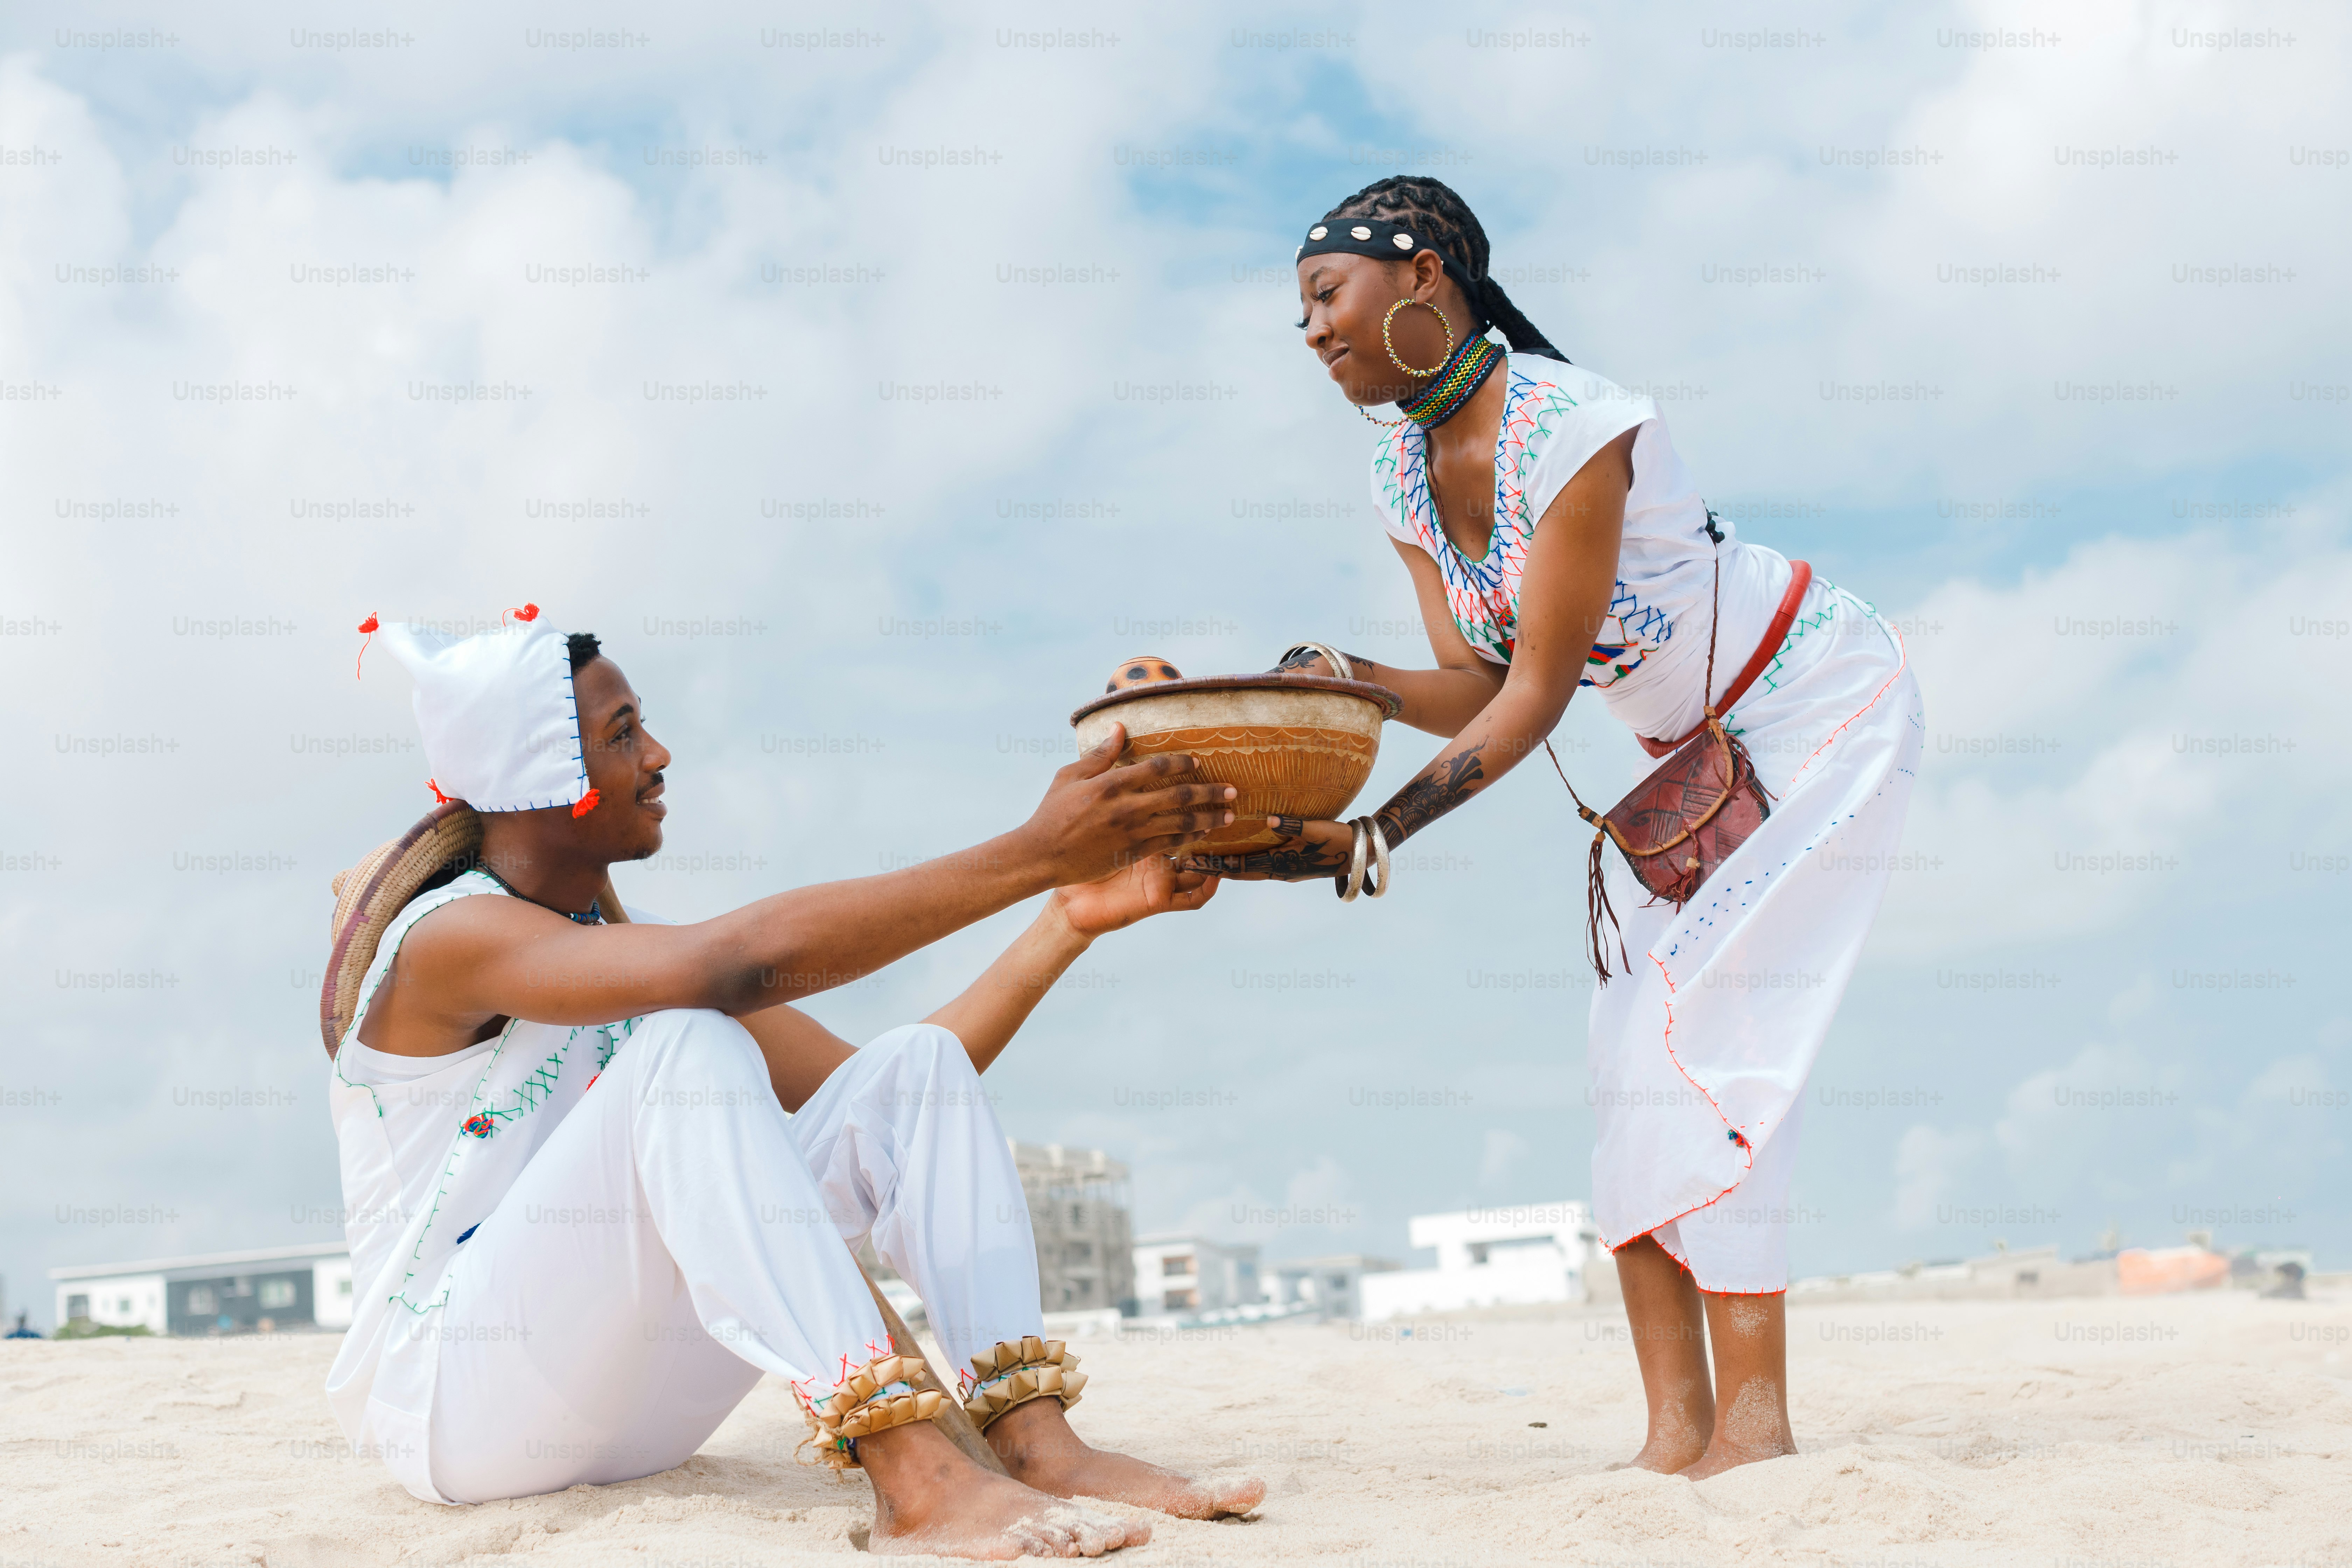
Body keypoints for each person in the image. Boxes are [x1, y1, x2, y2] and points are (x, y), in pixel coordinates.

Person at [1203, 177, 1923, 1478]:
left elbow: (1537, 696)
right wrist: (1344, 680)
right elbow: (1476, 681)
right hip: (1692, 760)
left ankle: (1754, 1433)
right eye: (1300, 311)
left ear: (1422, 275)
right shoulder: (1397, 469)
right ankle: (1673, 1435)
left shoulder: (1573, 423)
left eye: (1326, 295)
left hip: (1820, 701)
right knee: (1623, 1059)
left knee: (1718, 1034)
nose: (1309, 330)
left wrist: (1382, 832)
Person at [324, 612, 1262, 1557]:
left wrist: (1068, 914)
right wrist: (1033, 852)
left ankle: (1036, 1444)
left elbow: (893, 1107)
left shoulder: (623, 950)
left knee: (915, 1072)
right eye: (620, 735)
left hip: (629, 1410)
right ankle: (920, 1484)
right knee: (690, 1038)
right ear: (539, 780)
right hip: (460, 1409)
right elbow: (730, 967)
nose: (658, 754)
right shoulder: (450, 940)